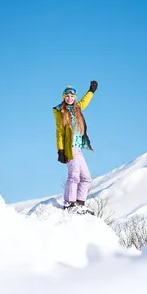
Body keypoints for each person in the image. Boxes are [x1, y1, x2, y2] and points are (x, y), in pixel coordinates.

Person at [53, 80, 98, 211]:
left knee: (86, 178)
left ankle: (79, 204)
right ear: (63, 97)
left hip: (78, 148)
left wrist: (91, 91)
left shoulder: (78, 109)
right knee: (74, 175)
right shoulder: (60, 112)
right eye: (67, 96)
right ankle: (69, 203)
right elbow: (60, 133)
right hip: (69, 147)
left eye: (72, 96)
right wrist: (60, 150)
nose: (70, 98)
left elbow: (85, 101)